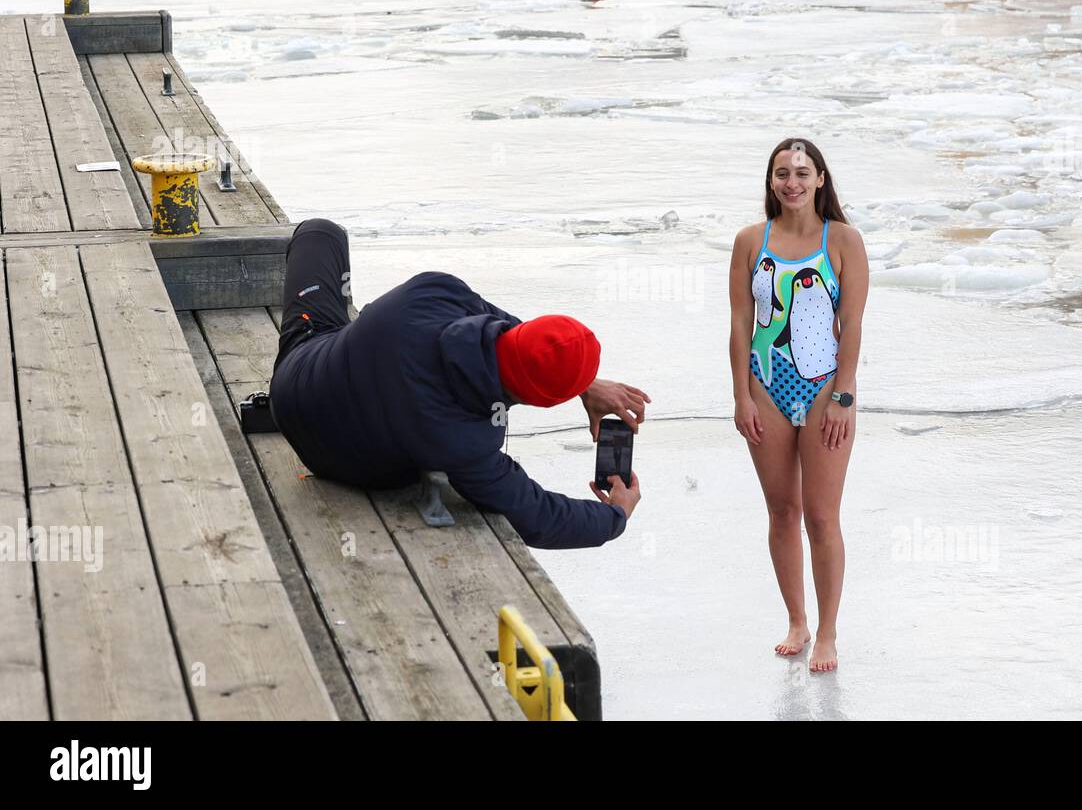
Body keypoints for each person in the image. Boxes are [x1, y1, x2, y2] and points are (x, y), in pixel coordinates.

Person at [268, 219, 648, 549]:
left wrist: (583, 383)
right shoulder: (467, 446)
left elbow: (507, 329)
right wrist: (614, 516)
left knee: (321, 232)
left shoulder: (435, 292)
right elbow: (538, 516)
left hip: (299, 377)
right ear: (542, 402)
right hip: (332, 461)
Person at [728, 139, 869, 673]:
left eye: (802, 173)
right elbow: (742, 322)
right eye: (782, 173)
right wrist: (741, 394)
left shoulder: (843, 241)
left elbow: (852, 323)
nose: (792, 182)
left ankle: (828, 631)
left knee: (821, 515)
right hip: (765, 385)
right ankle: (796, 619)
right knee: (782, 510)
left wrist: (843, 397)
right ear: (770, 181)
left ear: (820, 180)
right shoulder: (749, 241)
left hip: (825, 388)